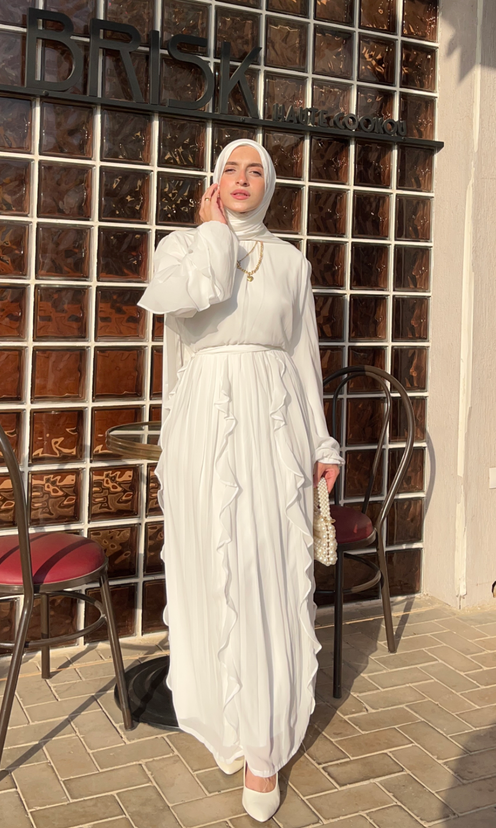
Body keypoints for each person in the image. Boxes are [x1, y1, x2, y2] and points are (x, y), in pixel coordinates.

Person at [138, 139, 343, 822]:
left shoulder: (290, 263)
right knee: (211, 571)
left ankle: (263, 743)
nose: (242, 179)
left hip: (271, 421)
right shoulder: (182, 248)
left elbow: (302, 357)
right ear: (213, 180)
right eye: (231, 168)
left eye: (255, 170)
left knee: (267, 571)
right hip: (203, 425)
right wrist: (210, 236)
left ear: (271, 184)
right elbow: (190, 304)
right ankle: (223, 718)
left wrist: (321, 440)